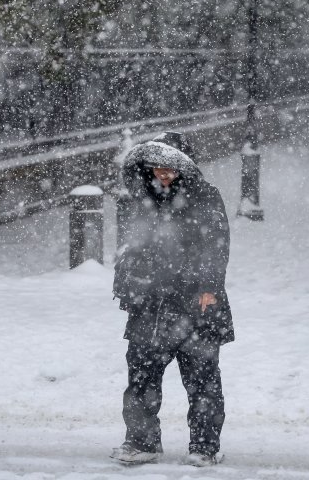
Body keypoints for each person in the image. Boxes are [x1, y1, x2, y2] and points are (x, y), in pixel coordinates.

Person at [110, 131, 233, 467]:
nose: (163, 173)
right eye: (157, 166)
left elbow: (216, 244)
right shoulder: (138, 199)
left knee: (202, 379)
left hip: (195, 304)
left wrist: (208, 286)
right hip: (149, 305)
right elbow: (128, 248)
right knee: (141, 379)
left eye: (170, 166)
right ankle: (141, 442)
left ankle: (205, 446)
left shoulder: (205, 197)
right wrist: (126, 287)